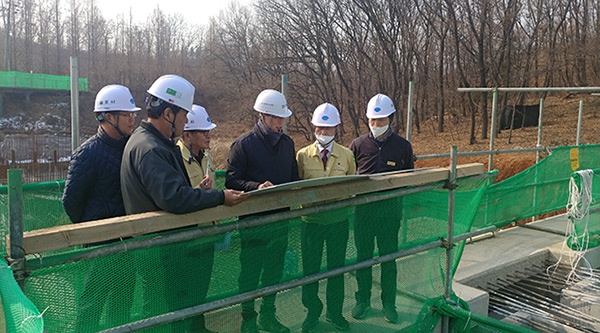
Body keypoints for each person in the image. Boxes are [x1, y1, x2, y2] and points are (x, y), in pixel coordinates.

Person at [120, 74, 245, 332]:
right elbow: (174, 198)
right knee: (164, 315)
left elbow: (171, 193)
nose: (186, 120)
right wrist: (220, 197)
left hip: (160, 248)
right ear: (168, 113)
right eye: (184, 115)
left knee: (167, 312)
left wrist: (195, 192)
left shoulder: (151, 142)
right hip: (160, 250)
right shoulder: (151, 149)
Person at [62, 84, 141, 332]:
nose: (132, 119)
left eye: (133, 114)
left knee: (122, 300)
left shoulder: (131, 148)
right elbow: (71, 201)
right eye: (127, 115)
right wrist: (93, 230)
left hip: (127, 242)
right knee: (92, 302)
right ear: (108, 117)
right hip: (100, 245)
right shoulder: (87, 154)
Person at [226, 89, 300, 333]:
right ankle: (248, 319)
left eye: (283, 119)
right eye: (277, 118)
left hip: (279, 220)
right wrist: (256, 187)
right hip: (252, 223)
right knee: (249, 272)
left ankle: (268, 315)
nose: (281, 123)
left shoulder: (288, 144)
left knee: (273, 271)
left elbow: (293, 177)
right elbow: (231, 180)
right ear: (263, 116)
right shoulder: (244, 145)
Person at [349, 93, 414, 324]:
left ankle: (389, 303)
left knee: (389, 259)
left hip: (389, 213)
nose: (377, 125)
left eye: (382, 120)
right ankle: (363, 300)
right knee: (363, 259)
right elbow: (349, 176)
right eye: (373, 121)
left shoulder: (403, 147)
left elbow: (408, 177)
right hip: (363, 213)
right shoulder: (357, 145)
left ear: (391, 119)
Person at [296, 103, 356, 333]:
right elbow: (297, 185)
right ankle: (312, 312)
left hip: (338, 222)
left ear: (336, 129)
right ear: (313, 127)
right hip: (310, 223)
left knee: (336, 269)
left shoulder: (347, 155)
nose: (323, 133)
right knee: (310, 271)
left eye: (328, 128)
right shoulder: (302, 155)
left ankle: (335, 312)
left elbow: (353, 185)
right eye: (320, 128)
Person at [175, 104, 219, 332]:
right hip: (186, 239)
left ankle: (198, 328)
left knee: (201, 290)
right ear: (187, 134)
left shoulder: (207, 157)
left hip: (206, 236)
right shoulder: (174, 158)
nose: (208, 136)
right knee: (182, 292)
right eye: (204, 132)